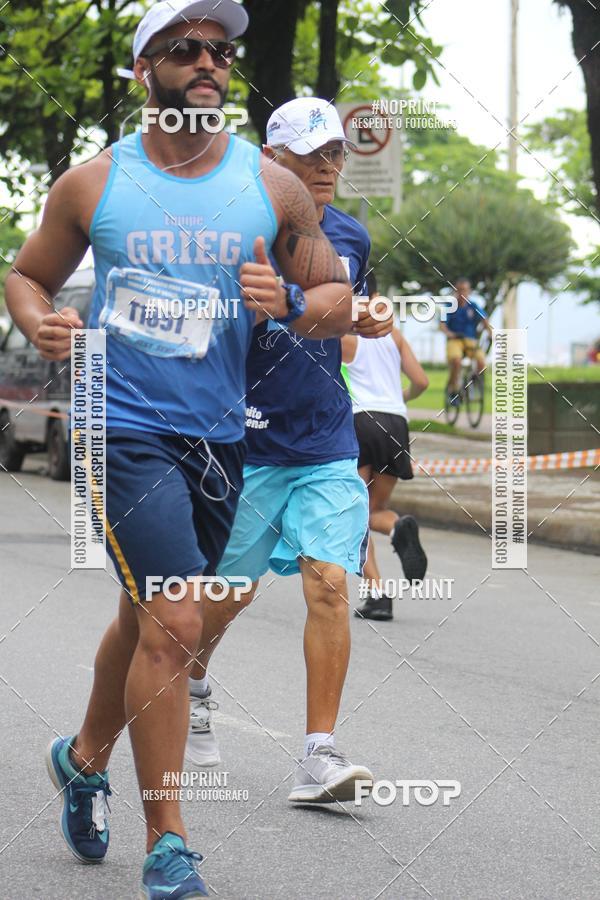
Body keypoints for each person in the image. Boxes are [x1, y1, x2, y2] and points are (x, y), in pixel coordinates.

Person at [5, 3, 358, 896]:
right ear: (144, 71)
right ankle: (170, 844)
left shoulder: (271, 189)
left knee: (145, 619)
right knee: (178, 617)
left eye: (221, 51)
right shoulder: (92, 185)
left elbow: (337, 302)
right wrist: (41, 321)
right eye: (185, 49)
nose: (209, 61)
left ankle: (84, 758)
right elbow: (26, 274)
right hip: (121, 431)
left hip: (218, 439)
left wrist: (285, 300)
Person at [185, 97, 390, 803]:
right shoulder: (226, 233)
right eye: (311, 156)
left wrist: (368, 316)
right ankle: (194, 684)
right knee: (226, 598)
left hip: (328, 440)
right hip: (244, 444)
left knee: (330, 586)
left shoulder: (350, 236)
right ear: (273, 161)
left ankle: (317, 755)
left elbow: (343, 320)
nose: (327, 167)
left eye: (335, 153)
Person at [341, 273, 429, 621]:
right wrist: (399, 399)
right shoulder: (394, 334)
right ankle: (397, 528)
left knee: (353, 514)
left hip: (361, 422)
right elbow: (421, 380)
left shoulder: (345, 338)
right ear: (376, 294)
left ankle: (377, 593)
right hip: (396, 422)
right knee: (374, 508)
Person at [441, 277, 493, 400]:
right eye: (459, 290)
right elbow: (442, 325)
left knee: (481, 363)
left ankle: (470, 385)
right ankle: (453, 390)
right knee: (456, 362)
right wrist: (450, 334)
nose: (462, 293)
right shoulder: (449, 306)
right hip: (455, 340)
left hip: (470, 340)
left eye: (464, 290)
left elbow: (485, 321)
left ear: (469, 291)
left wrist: (490, 334)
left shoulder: (473, 306)